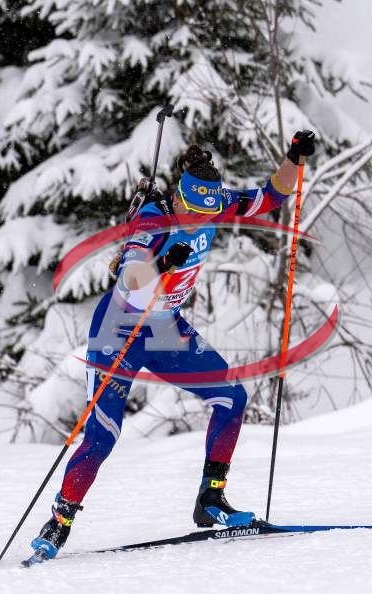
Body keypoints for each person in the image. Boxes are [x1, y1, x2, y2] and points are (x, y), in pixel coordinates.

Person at [28, 130, 316, 561]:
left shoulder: (214, 204)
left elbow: (272, 196)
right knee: (103, 435)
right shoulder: (152, 219)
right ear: (179, 199)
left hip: (164, 330)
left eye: (209, 213)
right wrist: (162, 262)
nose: (202, 220)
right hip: (119, 331)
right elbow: (129, 280)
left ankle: (211, 499)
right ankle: (59, 521)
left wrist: (293, 157)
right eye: (194, 212)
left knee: (231, 397)